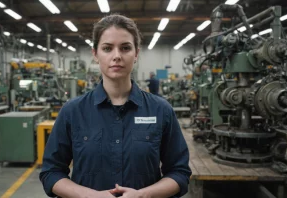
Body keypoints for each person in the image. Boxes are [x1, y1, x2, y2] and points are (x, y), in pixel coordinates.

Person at [39, 14, 191, 198]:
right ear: (95, 54)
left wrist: (143, 195)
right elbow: (51, 172)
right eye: (107, 48)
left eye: (125, 48)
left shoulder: (161, 110)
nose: (117, 56)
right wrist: (91, 196)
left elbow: (179, 172)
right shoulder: (73, 111)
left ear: (136, 54)